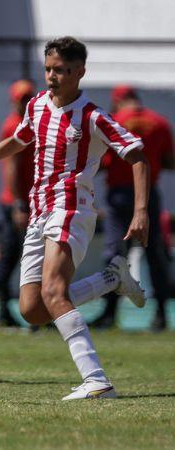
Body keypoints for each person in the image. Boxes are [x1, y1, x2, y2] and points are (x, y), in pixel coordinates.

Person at [0, 37, 148, 400]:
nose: (52, 76)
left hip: (72, 207)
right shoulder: (36, 106)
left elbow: (137, 154)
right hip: (39, 211)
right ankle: (111, 280)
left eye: (61, 70)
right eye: (48, 69)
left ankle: (96, 379)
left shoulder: (93, 115)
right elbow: (17, 142)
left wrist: (141, 211)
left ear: (79, 72)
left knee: (53, 291)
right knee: (33, 310)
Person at [91, 85, 173, 331]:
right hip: (148, 196)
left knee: (115, 254)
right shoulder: (159, 123)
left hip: (119, 197)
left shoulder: (114, 122)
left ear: (117, 101)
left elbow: (102, 163)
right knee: (156, 255)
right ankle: (160, 315)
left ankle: (109, 313)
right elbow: (169, 161)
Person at [0, 80, 37, 327]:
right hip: (19, 204)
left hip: (26, 202)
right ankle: (7, 311)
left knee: (19, 257)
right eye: (22, 98)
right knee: (17, 257)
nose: (25, 102)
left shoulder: (28, 124)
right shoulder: (15, 125)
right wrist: (19, 204)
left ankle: (10, 313)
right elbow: (11, 167)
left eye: (28, 97)